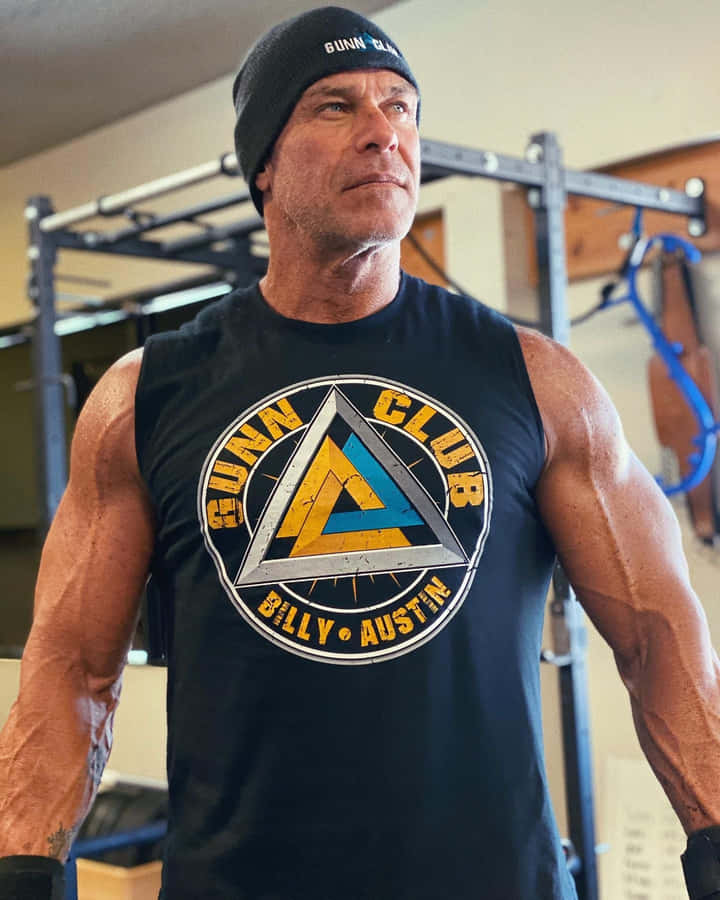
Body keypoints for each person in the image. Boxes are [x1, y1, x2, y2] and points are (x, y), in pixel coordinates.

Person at [0, 6, 719, 899]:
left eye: (401, 106)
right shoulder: (147, 395)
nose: (384, 132)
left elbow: (660, 634)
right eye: (335, 106)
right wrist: (26, 873)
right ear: (264, 163)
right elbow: (72, 668)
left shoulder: (538, 379)